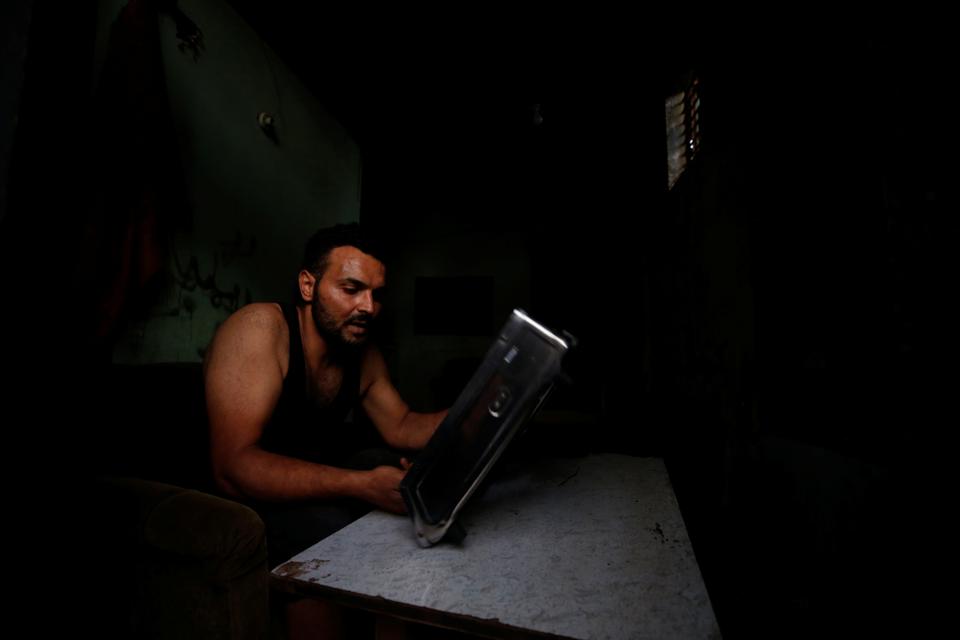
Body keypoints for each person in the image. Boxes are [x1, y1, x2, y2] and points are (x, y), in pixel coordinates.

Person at [203, 223, 447, 638]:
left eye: (376, 294)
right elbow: (232, 466)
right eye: (351, 289)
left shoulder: (359, 351)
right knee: (323, 524)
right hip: (229, 496)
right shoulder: (262, 329)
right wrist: (359, 485)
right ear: (307, 285)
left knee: (393, 475)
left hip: (306, 480)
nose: (368, 307)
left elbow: (402, 425)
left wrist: (486, 408)